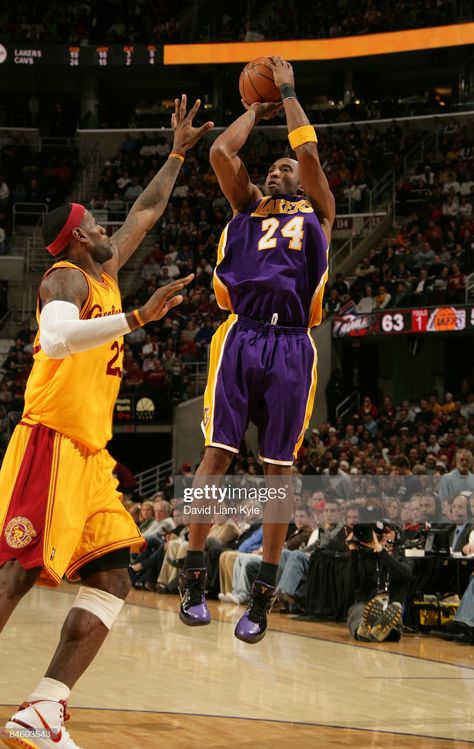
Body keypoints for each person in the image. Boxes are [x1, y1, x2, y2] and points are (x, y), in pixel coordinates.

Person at [0, 95, 212, 749]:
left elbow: (147, 210)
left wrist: (178, 152)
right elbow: (60, 341)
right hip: (49, 443)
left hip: (90, 459)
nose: (107, 227)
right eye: (95, 223)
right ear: (76, 240)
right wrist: (142, 318)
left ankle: (43, 707)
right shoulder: (64, 280)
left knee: (115, 576)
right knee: (14, 571)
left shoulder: (107, 268)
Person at [178, 56, 335, 644]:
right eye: (272, 166)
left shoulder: (319, 212)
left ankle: (263, 596)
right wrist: (253, 108)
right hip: (241, 334)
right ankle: (195, 578)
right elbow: (222, 154)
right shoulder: (245, 206)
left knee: (278, 470)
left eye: (284, 166)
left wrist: (289, 93)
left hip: (293, 342)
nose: (278, 170)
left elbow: (312, 156)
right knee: (215, 455)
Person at [345, 524, 414, 642]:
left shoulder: (403, 556)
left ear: (396, 534)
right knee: (358, 612)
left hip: (391, 606)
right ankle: (364, 630)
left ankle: (374, 631)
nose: (382, 535)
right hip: (366, 605)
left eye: (386, 531)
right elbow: (351, 585)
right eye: (377, 532)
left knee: (393, 616)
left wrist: (381, 551)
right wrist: (353, 551)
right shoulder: (365, 556)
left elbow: (405, 574)